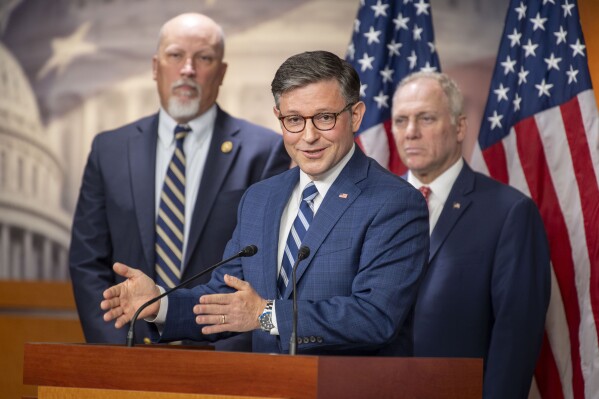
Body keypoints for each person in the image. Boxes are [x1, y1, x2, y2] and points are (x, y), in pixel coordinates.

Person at [100, 50, 429, 355]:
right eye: (294, 120)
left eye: (325, 118)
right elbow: (229, 299)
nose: (309, 135)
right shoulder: (261, 198)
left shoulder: (395, 203)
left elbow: (375, 317)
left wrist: (267, 315)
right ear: (279, 117)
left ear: (355, 116)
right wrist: (159, 305)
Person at [69, 13, 290, 349]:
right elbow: (88, 261)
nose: (188, 69)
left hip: (222, 356)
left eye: (203, 58)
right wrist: (115, 348)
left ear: (221, 72)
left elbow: (261, 267)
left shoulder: (266, 151)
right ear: (156, 67)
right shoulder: (109, 149)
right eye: (176, 56)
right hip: (128, 351)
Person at [391, 71, 551, 398]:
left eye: (426, 118)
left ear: (460, 127)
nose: (410, 132)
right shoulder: (369, 208)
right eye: (401, 120)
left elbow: (515, 339)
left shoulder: (510, 213)